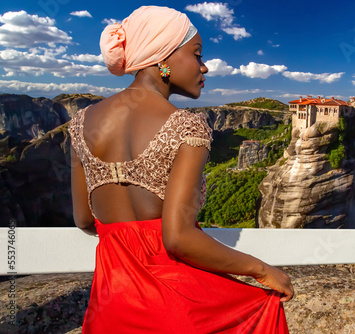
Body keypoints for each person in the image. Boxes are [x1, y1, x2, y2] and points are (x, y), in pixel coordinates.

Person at [68, 6, 293, 333]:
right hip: (177, 309)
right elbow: (178, 238)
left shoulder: (80, 124)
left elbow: (85, 220)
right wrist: (262, 269)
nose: (204, 67)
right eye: (197, 54)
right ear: (162, 58)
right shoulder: (187, 127)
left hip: (111, 306)